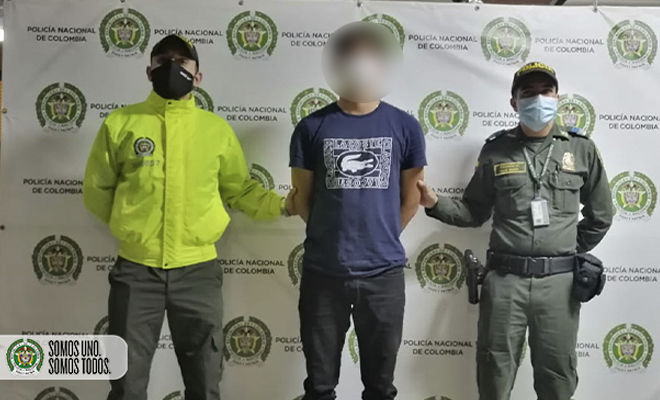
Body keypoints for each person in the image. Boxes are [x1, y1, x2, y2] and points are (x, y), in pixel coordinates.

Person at [83, 34, 296, 400]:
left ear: (198, 76)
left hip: (198, 272)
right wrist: (133, 228)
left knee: (204, 379)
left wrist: (283, 205)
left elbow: (238, 190)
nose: (172, 67)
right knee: (126, 383)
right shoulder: (120, 123)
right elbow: (97, 189)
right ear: (149, 71)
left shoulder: (215, 131)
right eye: (163, 61)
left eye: (182, 62)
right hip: (136, 271)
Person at [417, 62, 614, 400]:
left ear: (557, 97)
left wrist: (563, 248)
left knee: (557, 376)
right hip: (505, 281)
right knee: (494, 371)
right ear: (514, 102)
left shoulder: (581, 149)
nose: (538, 99)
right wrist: (435, 203)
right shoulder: (496, 149)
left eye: (546, 91)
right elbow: (474, 211)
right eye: (528, 93)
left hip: (559, 286)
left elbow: (601, 215)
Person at [290, 24, 426, 400]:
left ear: (382, 63)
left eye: (368, 55)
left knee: (380, 387)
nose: (360, 63)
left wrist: (380, 235)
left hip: (383, 276)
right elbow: (303, 198)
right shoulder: (311, 127)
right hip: (323, 274)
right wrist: (333, 234)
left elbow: (411, 198)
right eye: (351, 55)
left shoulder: (405, 126)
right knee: (319, 386)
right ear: (337, 63)